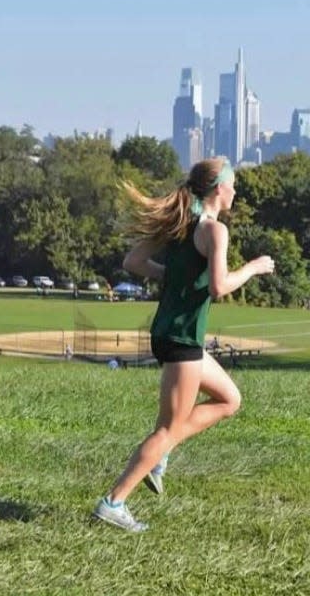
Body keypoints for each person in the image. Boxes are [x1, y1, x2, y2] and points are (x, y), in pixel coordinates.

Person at [93, 157, 275, 532]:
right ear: (219, 189)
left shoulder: (178, 221)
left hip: (174, 334)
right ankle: (114, 502)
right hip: (181, 338)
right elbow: (219, 287)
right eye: (233, 185)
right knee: (167, 430)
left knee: (230, 400)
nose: (236, 191)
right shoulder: (213, 230)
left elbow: (133, 261)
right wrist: (254, 268)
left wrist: (171, 274)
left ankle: (161, 458)